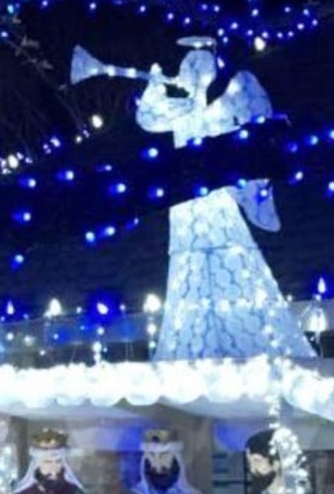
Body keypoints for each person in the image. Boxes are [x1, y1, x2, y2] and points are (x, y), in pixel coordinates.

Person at [132, 38, 315, 361]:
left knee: (225, 254)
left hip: (214, 198)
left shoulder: (217, 108)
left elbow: (247, 127)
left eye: (194, 68)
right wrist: (153, 84)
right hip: (184, 204)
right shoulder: (181, 108)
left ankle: (241, 334)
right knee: (188, 263)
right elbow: (147, 118)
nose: (186, 74)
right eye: (186, 68)